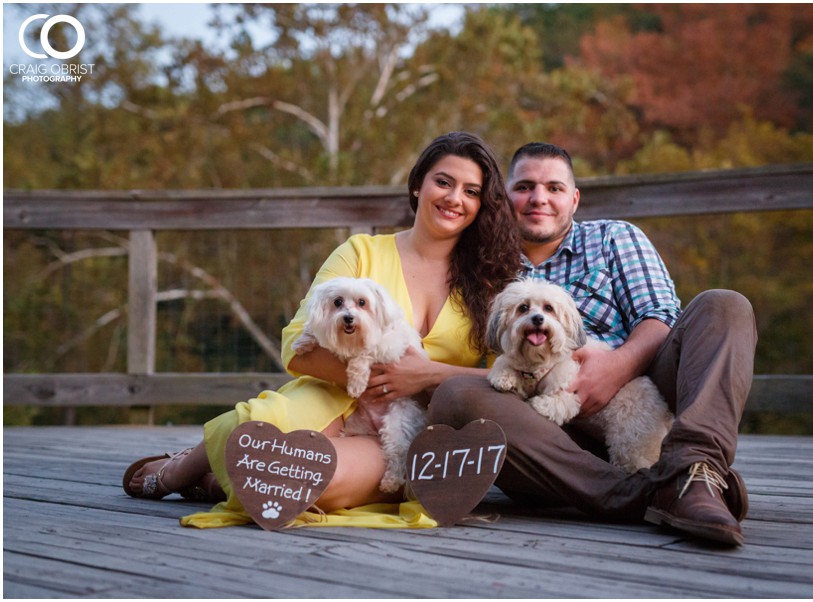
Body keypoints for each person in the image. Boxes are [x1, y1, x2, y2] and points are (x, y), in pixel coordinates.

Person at [122, 132, 522, 528]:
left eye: (471, 191)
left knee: (311, 480)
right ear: (418, 185)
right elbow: (295, 346)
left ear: (481, 205)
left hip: (404, 427)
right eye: (444, 182)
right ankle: (182, 469)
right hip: (329, 395)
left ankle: (219, 482)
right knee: (253, 430)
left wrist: (429, 375)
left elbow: (504, 379)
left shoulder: (490, 285)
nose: (455, 198)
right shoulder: (360, 252)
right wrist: (369, 377)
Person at [428, 142, 757, 546]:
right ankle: (656, 491)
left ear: (575, 198)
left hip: (643, 393)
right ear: (503, 196)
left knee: (724, 306)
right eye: (525, 186)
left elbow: (661, 317)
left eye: (554, 187)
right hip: (546, 436)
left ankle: (695, 466)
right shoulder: (480, 265)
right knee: (457, 396)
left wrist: (618, 365)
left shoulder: (614, 237)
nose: (539, 198)